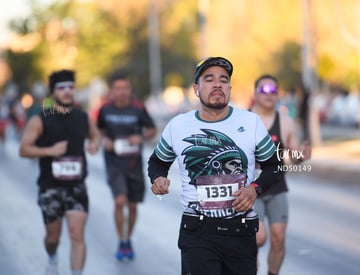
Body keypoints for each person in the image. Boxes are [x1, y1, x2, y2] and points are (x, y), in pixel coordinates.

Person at [147, 57, 281, 275]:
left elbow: (274, 166)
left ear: (229, 88)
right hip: (197, 232)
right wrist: (158, 178)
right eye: (209, 79)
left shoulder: (250, 122)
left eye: (223, 79)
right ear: (196, 89)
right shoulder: (178, 125)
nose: (217, 84)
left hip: (240, 232)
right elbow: (157, 162)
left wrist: (254, 189)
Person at [19, 69, 100, 275]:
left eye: (70, 87)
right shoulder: (40, 119)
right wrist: (49, 150)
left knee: (77, 234)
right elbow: (24, 149)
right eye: (61, 88)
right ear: (53, 92)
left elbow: (95, 135)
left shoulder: (82, 117)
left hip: (76, 185)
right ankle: (52, 256)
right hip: (50, 186)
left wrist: (94, 144)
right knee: (53, 238)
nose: (67, 91)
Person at [251, 74, 311, 275]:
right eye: (264, 90)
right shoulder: (244, 120)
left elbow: (293, 155)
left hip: (277, 187)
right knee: (258, 238)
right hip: (250, 190)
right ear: (255, 93)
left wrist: (301, 156)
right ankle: (250, 264)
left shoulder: (285, 121)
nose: (269, 94)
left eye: (273, 90)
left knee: (278, 238)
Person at [97, 72, 157, 261]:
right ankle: (121, 240)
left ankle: (128, 237)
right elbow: (98, 129)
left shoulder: (138, 108)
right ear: (112, 91)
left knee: (132, 205)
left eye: (126, 88)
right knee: (119, 201)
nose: (122, 92)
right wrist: (104, 139)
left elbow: (152, 129)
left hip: (133, 164)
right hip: (114, 163)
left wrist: (141, 137)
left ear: (129, 90)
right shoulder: (105, 110)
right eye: (118, 89)